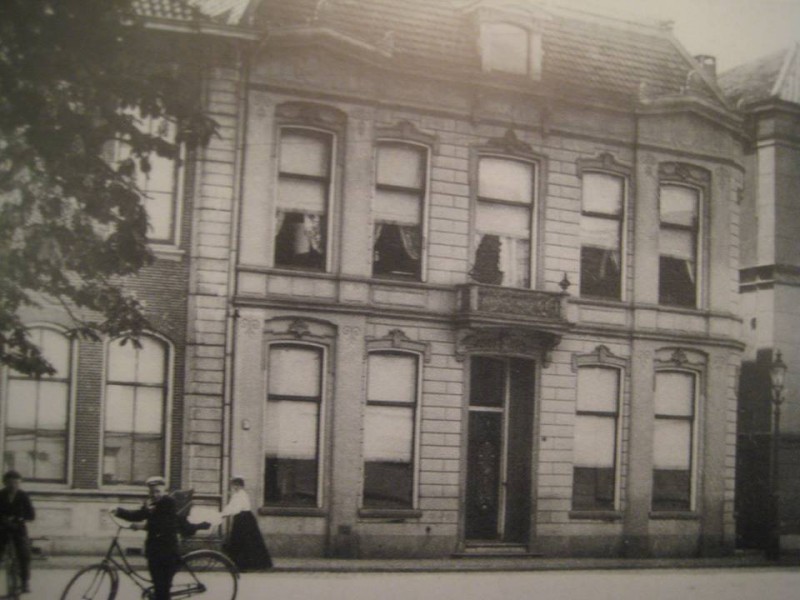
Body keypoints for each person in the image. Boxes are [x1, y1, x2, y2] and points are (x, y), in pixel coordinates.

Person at [112, 476, 209, 600]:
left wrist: (144, 525)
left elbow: (164, 524)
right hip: (153, 551)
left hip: (167, 552)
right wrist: (118, 511)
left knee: (162, 590)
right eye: (152, 492)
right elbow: (138, 515)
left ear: (164, 491)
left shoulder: (169, 503)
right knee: (158, 587)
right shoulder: (150, 503)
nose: (154, 494)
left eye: (158, 491)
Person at [220, 478, 272, 571]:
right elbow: (231, 506)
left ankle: (244, 565)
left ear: (240, 486)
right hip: (243, 518)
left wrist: (224, 514)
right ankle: (242, 564)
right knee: (243, 541)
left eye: (235, 485)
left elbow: (236, 508)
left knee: (244, 542)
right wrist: (223, 513)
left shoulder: (241, 495)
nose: (234, 487)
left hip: (243, 519)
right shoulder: (238, 495)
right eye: (233, 485)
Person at [0, 470, 35, 594]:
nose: (13, 485)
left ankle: (25, 582)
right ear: (5, 483)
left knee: (24, 555)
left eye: (16, 482)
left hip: (18, 529)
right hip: (2, 529)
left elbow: (31, 515)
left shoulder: (23, 496)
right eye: (10, 482)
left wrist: (19, 518)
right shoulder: (1, 495)